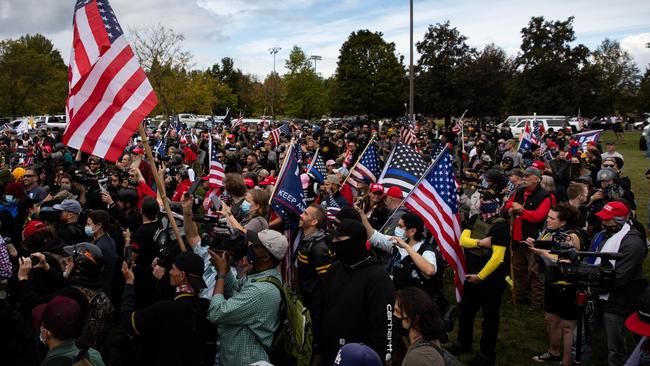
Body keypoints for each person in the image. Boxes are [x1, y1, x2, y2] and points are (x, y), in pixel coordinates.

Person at [317, 219, 395, 365]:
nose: (333, 242)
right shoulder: (335, 269)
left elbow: (384, 326)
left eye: (338, 239)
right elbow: (322, 308)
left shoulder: (378, 279)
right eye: (332, 238)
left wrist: (381, 358)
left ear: (354, 242)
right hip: (330, 355)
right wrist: (318, 347)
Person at [207, 229, 288, 366]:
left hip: (245, 360)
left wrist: (221, 275)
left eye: (256, 246)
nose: (249, 248)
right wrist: (226, 270)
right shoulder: (259, 275)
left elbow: (216, 313)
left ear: (266, 257)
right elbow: (233, 291)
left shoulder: (261, 290)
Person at [448, 188, 509, 366]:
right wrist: (481, 243)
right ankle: (463, 344)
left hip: (491, 280)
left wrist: (480, 276)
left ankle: (486, 355)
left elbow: (497, 257)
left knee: (490, 319)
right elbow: (463, 240)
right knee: (466, 312)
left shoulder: (500, 226)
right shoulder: (475, 219)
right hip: (472, 276)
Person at [121, 251, 213, 366]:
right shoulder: (207, 307)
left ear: (182, 275)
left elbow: (128, 322)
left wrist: (129, 282)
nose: (169, 271)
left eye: (173, 269)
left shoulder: (164, 309)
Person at [585, 201, 647, 366]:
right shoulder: (603, 235)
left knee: (616, 348)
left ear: (619, 220)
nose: (603, 222)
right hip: (599, 297)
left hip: (618, 302)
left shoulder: (632, 244)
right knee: (582, 335)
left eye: (607, 219)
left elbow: (619, 278)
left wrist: (591, 288)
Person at [527, 204, 581, 366]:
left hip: (568, 285)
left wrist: (544, 254)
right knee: (550, 319)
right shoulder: (549, 232)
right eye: (548, 216)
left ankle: (566, 361)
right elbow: (545, 249)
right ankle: (553, 352)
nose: (547, 220)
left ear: (563, 222)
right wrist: (534, 244)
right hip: (551, 282)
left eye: (552, 218)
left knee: (566, 325)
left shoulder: (572, 237)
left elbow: (571, 262)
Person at [503, 167, 551, 308]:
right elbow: (507, 204)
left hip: (532, 241)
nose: (524, 178)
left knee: (534, 272)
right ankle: (520, 297)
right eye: (523, 176)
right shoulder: (519, 191)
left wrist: (520, 211)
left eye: (528, 176)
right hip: (517, 238)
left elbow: (538, 217)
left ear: (536, 179)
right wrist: (512, 206)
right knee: (518, 269)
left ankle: (537, 302)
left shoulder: (545, 196)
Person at [34, 295, 105, 366]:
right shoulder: (93, 354)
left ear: (47, 332)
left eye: (42, 324)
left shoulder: (48, 364)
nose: (40, 328)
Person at [295, 204, 333, 315]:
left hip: (316, 306)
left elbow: (327, 282)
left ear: (314, 222)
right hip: (307, 300)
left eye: (305, 214)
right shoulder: (307, 239)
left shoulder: (319, 249)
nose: (301, 215)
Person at [394, 287, 446, 366]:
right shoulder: (430, 340)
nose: (394, 315)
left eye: (398, 311)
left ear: (416, 319)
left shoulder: (417, 357)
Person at [86, 210, 117, 296]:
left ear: (99, 225)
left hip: (99, 292)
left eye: (89, 224)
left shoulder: (99, 248)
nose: (86, 227)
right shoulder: (109, 240)